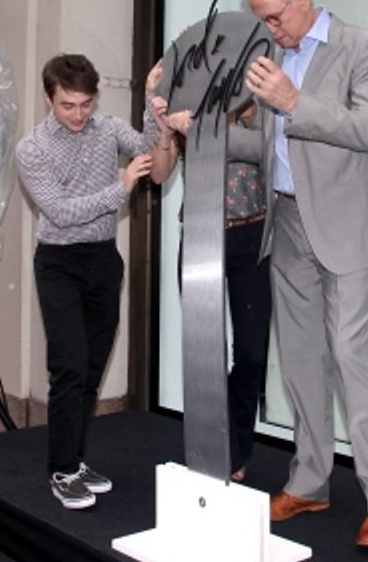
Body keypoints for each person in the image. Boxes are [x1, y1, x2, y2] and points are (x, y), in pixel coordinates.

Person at [232, 0, 368, 548]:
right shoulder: (271, 57)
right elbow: (261, 141)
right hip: (287, 224)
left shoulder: (363, 46)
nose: (272, 30)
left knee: (355, 358)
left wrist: (293, 101)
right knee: (302, 360)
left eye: (276, 17)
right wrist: (189, 125)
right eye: (263, 20)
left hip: (351, 228)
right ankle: (309, 482)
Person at [16, 53, 158, 509]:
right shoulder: (31, 149)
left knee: (92, 368)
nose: (78, 115)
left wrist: (152, 102)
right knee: (70, 366)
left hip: (103, 258)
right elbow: (59, 211)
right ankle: (61, 469)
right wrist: (121, 188)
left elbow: (145, 149)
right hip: (58, 263)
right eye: (67, 105)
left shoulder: (108, 127)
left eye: (85, 104)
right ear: (49, 99)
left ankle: (76, 461)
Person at [149, 98, 272, 483]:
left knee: (252, 353)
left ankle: (234, 440)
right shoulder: (181, 98)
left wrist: (251, 113)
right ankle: (221, 452)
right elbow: (158, 176)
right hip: (202, 232)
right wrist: (168, 129)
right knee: (207, 353)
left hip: (253, 234)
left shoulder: (258, 94)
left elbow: (278, 152)